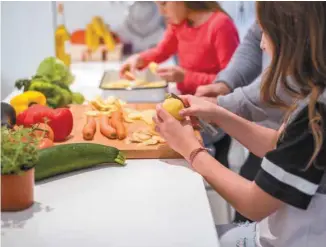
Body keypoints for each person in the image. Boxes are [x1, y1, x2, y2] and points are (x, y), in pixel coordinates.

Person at [153, 2, 326, 246]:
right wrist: (218, 112)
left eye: (265, 32)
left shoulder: (317, 116)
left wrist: (191, 150)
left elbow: (254, 204)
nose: (261, 44)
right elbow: (277, 143)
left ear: (291, 38)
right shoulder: (313, 98)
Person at [120, 1, 239, 95]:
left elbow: (231, 83)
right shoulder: (178, 23)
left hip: (215, 106)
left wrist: (185, 77)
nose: (161, 12)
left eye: (164, 3)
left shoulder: (221, 25)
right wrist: (139, 59)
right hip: (187, 97)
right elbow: (162, 51)